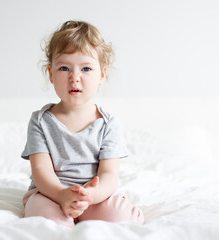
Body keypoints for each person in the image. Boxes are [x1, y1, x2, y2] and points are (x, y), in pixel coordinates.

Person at [21, 20, 144, 227]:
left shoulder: (108, 124)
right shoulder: (41, 121)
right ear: (51, 74)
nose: (74, 78)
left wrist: (92, 195)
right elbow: (41, 171)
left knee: (117, 217)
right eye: (64, 68)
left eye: (86, 68)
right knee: (44, 218)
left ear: (101, 75)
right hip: (51, 193)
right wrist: (61, 195)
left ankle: (105, 212)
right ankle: (63, 218)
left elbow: (109, 174)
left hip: (94, 195)